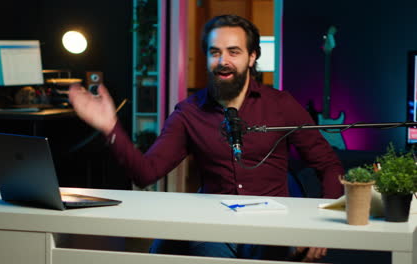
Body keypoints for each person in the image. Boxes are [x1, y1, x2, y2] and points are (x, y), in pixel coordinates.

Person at [69, 14, 344, 262]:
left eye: (233, 52)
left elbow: (329, 166)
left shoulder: (281, 105)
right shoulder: (189, 112)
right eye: (215, 52)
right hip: (214, 230)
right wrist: (110, 127)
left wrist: (321, 227)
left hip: (274, 228)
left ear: (252, 57)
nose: (223, 61)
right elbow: (146, 173)